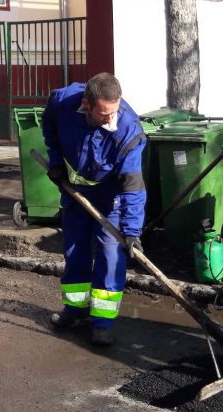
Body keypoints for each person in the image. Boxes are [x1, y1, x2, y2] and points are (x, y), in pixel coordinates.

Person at [41, 72, 146, 346]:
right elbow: (50, 127)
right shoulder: (63, 101)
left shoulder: (129, 131)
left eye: (114, 111)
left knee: (110, 257)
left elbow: (133, 186)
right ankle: (75, 310)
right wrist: (56, 162)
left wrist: (133, 232)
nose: (110, 119)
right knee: (75, 251)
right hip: (75, 194)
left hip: (109, 199)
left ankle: (102, 322)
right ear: (86, 105)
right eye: (103, 114)